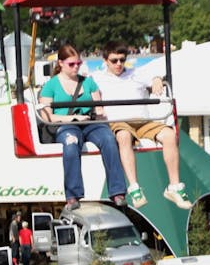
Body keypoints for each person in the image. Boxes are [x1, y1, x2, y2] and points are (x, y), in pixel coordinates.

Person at [94, 43, 192, 209]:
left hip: (142, 120)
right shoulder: (97, 77)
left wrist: (156, 79)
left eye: (122, 60)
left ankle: (174, 186)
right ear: (105, 61)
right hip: (119, 121)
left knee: (169, 135)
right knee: (123, 137)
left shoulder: (135, 73)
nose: (118, 64)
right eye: (114, 60)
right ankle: (134, 187)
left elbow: (154, 76)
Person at [36, 44, 128, 212]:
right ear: (61, 63)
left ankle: (117, 191)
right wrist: (71, 118)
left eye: (78, 63)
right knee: (70, 144)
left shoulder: (88, 82)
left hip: (89, 123)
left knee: (108, 139)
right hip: (66, 125)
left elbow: (99, 109)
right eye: (71, 64)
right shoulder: (51, 85)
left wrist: (97, 114)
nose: (76, 67)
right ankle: (72, 195)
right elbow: (47, 116)